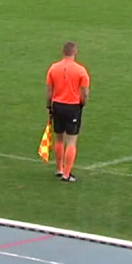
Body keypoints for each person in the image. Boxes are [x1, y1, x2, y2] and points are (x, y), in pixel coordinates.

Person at [45, 41, 89, 183]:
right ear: (75, 52)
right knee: (71, 140)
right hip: (72, 107)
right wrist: (82, 103)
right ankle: (67, 174)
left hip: (57, 105)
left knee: (59, 137)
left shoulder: (53, 68)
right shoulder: (81, 70)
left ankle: (59, 168)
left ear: (63, 52)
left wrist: (49, 106)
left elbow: (49, 91)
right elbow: (85, 93)